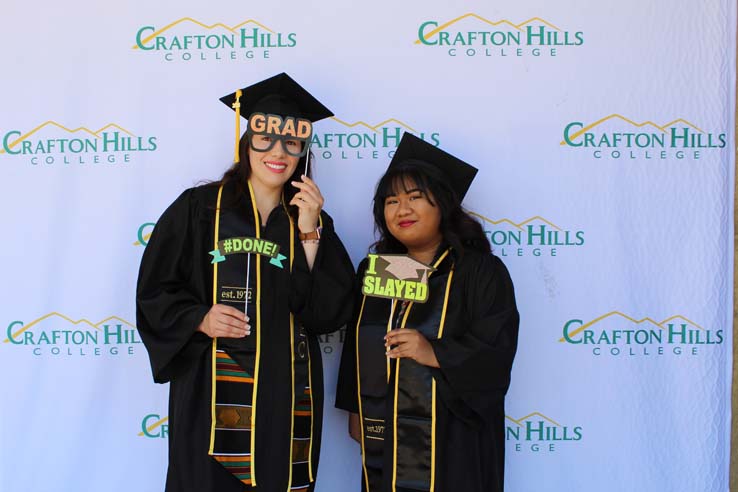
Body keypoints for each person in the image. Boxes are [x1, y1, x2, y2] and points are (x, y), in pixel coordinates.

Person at [137, 73, 355, 492]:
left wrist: (310, 233)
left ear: (303, 151)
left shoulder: (311, 219)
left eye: (291, 143)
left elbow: (327, 314)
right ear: (247, 143)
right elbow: (154, 290)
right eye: (267, 139)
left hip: (286, 394)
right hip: (212, 388)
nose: (279, 153)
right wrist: (199, 318)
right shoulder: (199, 209)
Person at [336, 133, 519, 492]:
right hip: (386, 432)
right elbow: (359, 342)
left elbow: (496, 350)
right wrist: (355, 407)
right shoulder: (379, 270)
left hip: (452, 437)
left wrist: (432, 352)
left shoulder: (478, 272)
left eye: (415, 198)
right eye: (391, 201)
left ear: (444, 205)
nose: (402, 210)